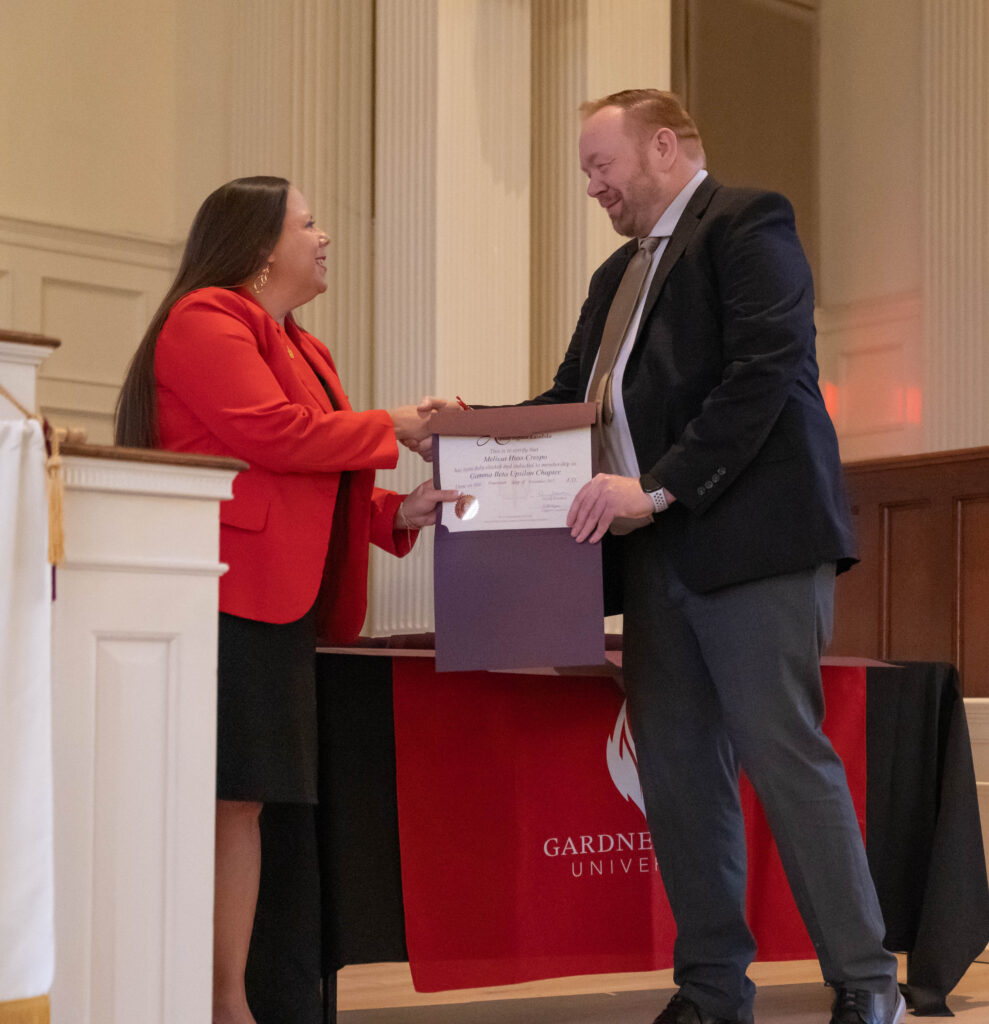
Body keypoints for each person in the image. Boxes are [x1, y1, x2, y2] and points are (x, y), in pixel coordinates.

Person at [419, 90, 903, 1024]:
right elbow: (572, 401)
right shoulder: (616, 274)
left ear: (665, 148)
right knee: (678, 774)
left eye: (602, 166)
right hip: (653, 559)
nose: (593, 187)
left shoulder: (748, 221)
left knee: (785, 757)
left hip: (750, 545)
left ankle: (864, 980)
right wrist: (462, 434)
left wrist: (660, 486)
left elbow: (762, 372)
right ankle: (712, 990)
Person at [114, 176, 454, 1024]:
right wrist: (401, 422)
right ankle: (225, 1001)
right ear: (263, 246)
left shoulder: (304, 343)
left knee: (250, 802)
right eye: (310, 223)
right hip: (228, 597)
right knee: (233, 798)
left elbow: (316, 481)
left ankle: (244, 995)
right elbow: (274, 433)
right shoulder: (206, 318)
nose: (325, 235)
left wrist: (397, 511)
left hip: (282, 604)